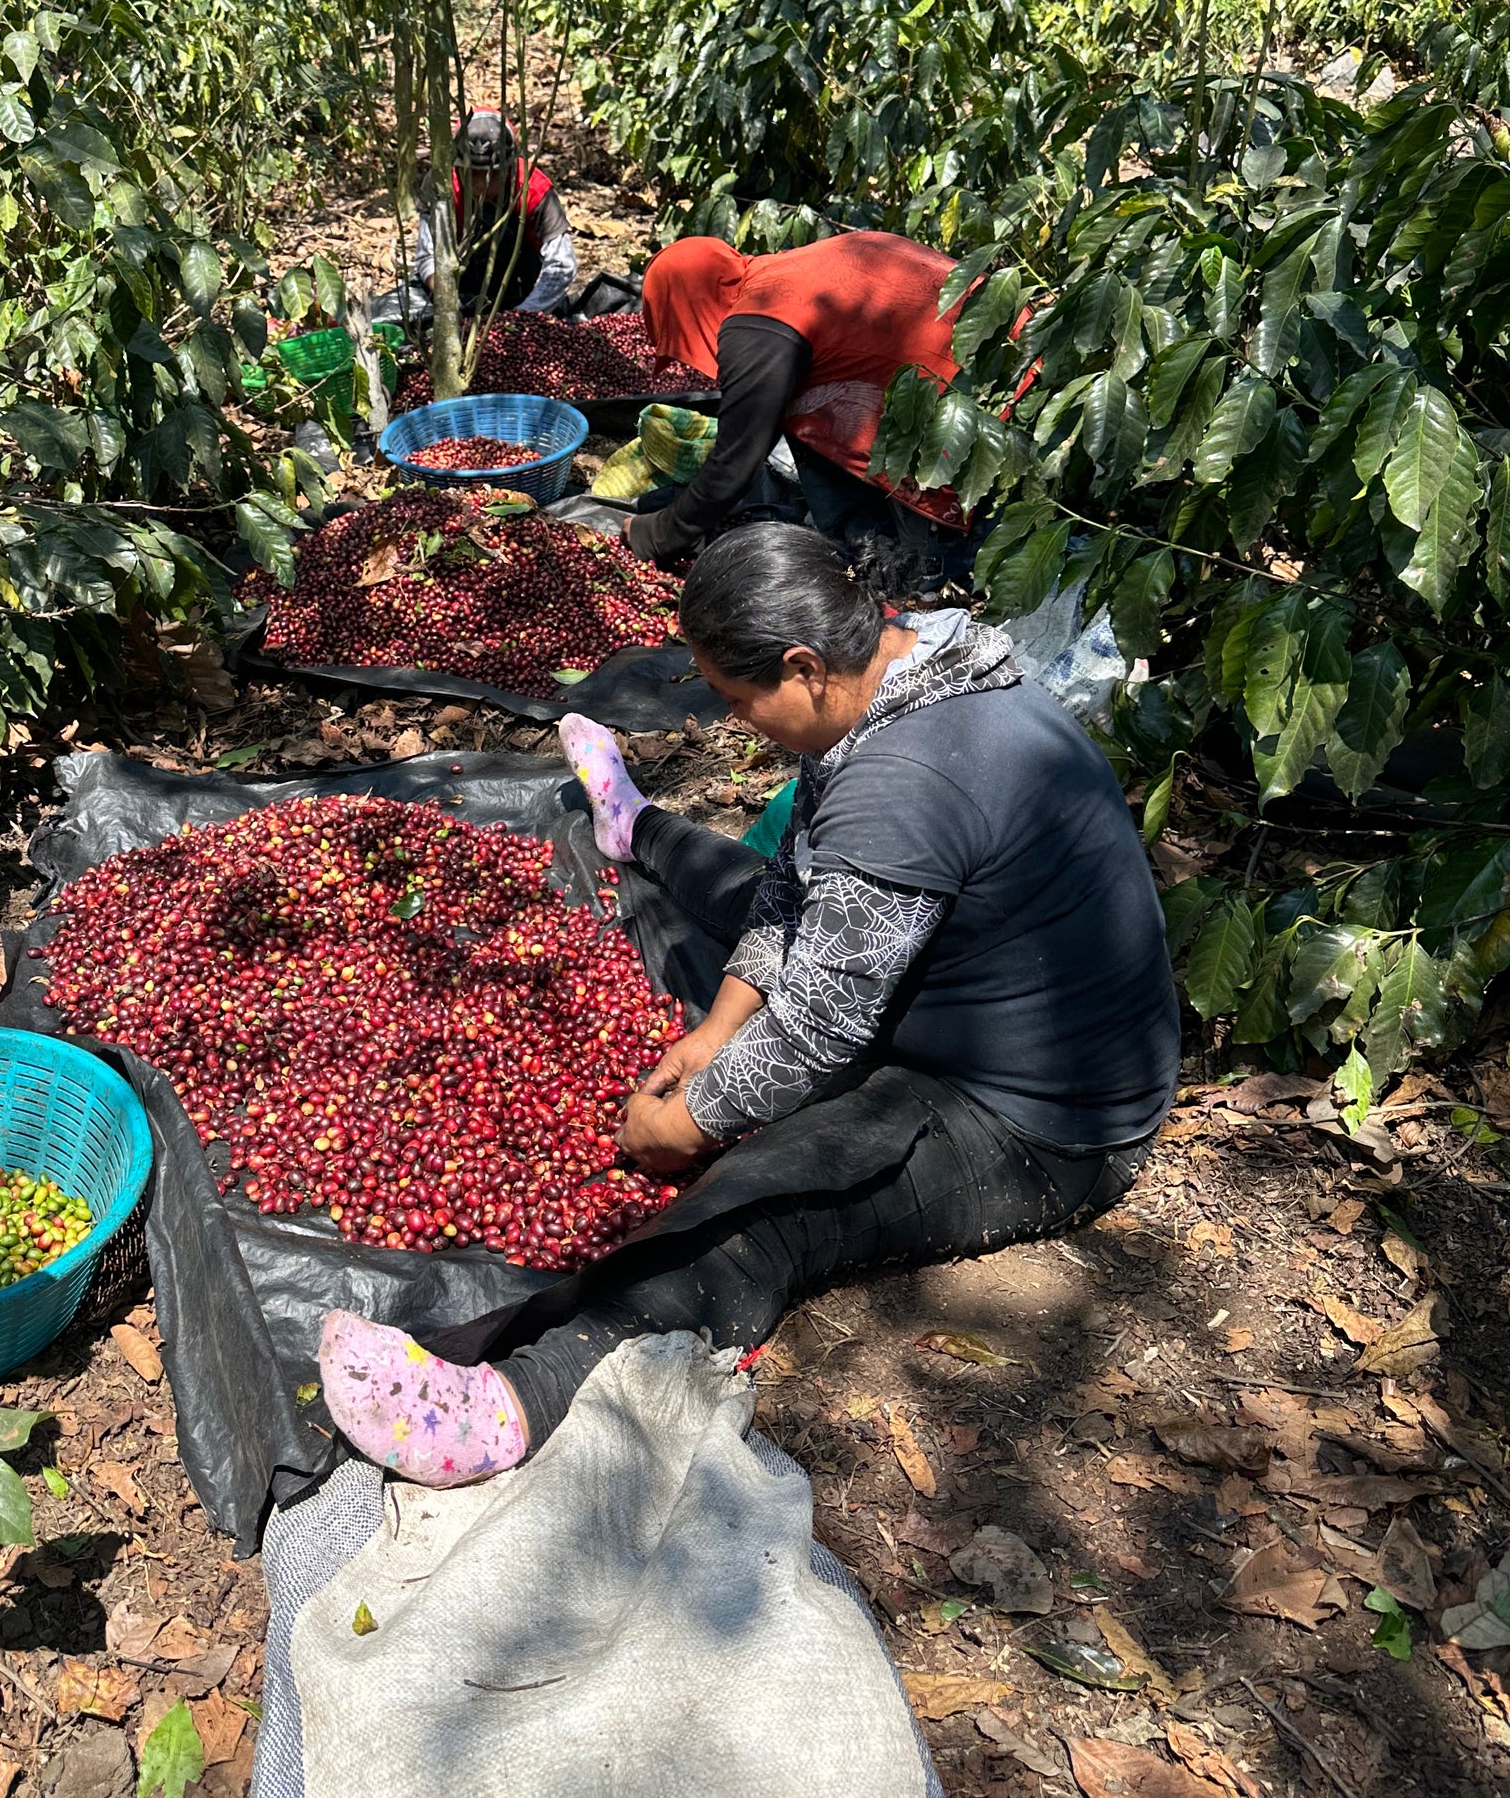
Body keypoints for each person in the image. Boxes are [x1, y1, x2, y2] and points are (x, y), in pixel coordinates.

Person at [317, 523, 1178, 1488]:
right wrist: (719, 1031)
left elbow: (821, 1027)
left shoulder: (902, 784)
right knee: (747, 888)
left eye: (738, 699)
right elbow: (793, 883)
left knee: (767, 1203)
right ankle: (634, 823)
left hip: (1036, 1121)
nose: (734, 723)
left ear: (804, 665)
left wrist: (684, 1122)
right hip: (933, 987)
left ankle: (521, 1398)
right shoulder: (897, 674)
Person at [625, 230, 976, 572]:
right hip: (998, 349)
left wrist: (654, 534)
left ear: (688, 307)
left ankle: (919, 565)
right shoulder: (784, 271)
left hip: (964, 398)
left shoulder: (760, 323)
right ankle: (875, 542)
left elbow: (734, 462)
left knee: (920, 568)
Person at [411, 108, 575, 317]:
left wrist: (523, 316)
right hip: (459, 287)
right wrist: (446, 300)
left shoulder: (534, 190)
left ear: (511, 169)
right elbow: (428, 255)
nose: (480, 186)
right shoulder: (441, 187)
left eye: (492, 175)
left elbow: (562, 264)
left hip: (520, 290)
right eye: (472, 174)